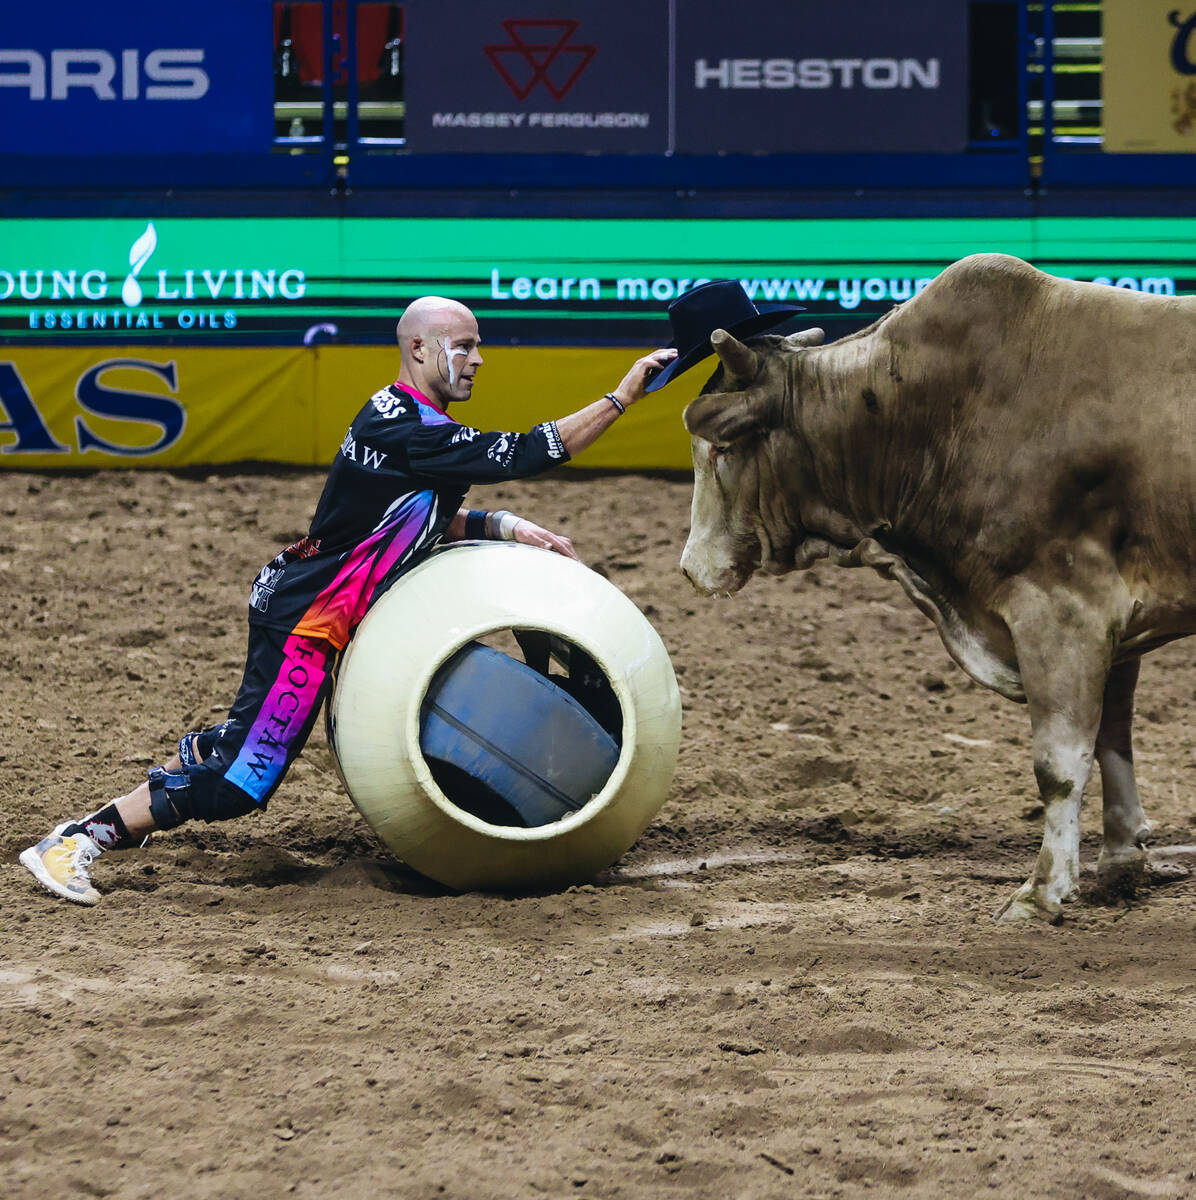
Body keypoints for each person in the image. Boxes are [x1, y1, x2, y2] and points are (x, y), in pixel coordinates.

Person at [20, 295, 677, 907]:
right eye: (465, 345)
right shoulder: (414, 431)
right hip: (309, 621)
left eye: (479, 346)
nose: (477, 359)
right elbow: (530, 451)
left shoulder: (400, 417)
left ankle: (193, 764)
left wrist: (505, 526)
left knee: (242, 746)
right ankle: (79, 841)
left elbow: (404, 521)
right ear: (420, 350)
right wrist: (621, 397)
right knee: (241, 785)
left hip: (302, 604)